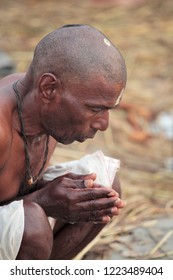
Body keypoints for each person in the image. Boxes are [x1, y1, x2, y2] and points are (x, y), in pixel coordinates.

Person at [0, 24, 127, 260]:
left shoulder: (39, 103)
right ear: (49, 89)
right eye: (95, 109)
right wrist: (41, 201)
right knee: (31, 226)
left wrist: (53, 195)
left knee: (101, 189)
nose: (104, 124)